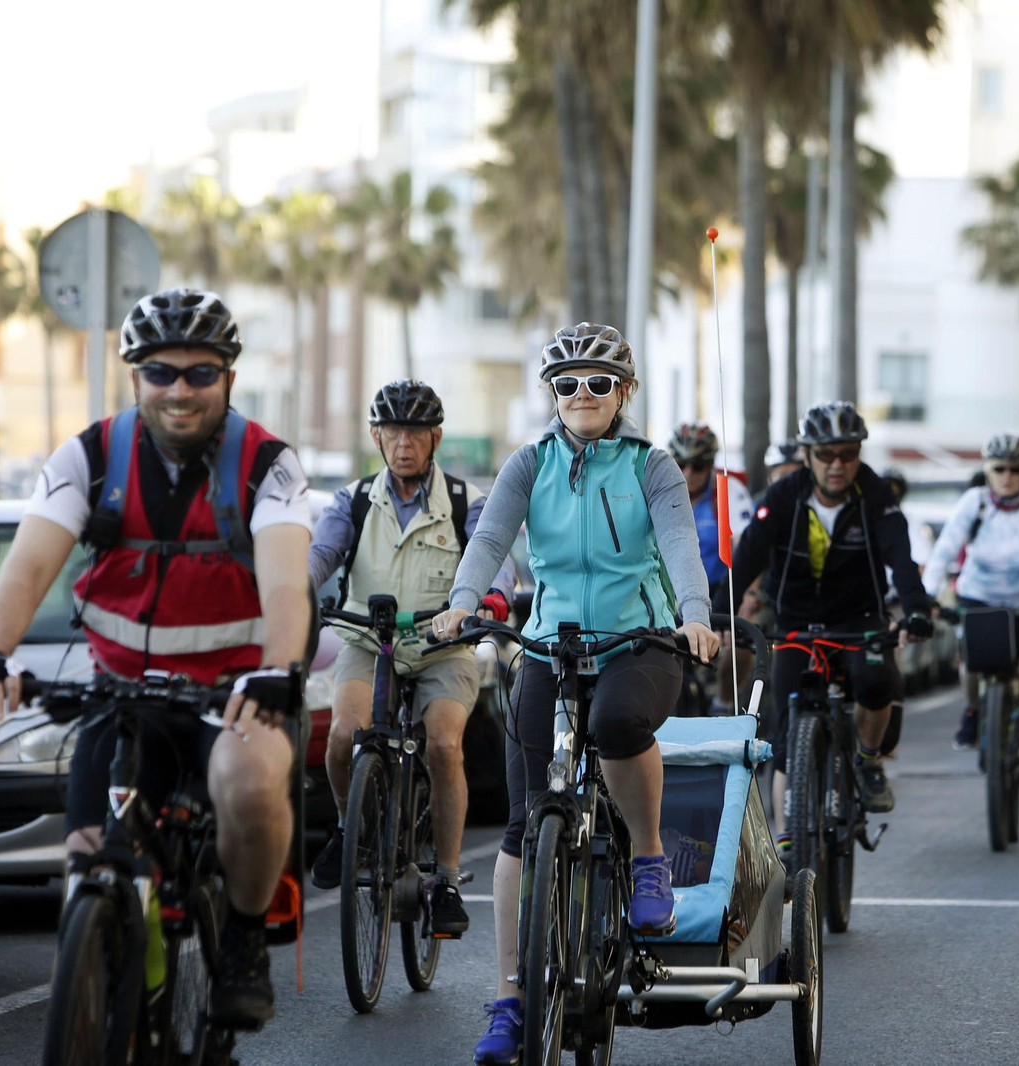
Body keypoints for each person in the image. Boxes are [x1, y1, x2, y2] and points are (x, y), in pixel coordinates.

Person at [0, 288, 313, 1029]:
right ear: (134, 379)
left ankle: (245, 937)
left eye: (199, 373)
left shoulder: (268, 464)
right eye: (160, 372)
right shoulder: (88, 456)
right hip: (121, 697)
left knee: (248, 785)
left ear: (228, 378)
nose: (179, 390)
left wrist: (281, 670)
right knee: (91, 868)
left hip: (237, 696)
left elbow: (285, 579)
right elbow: (26, 567)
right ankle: (120, 982)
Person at [428, 323, 720, 1066]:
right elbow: (490, 540)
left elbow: (681, 543)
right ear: (551, 396)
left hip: (639, 641)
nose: (582, 395)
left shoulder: (650, 464)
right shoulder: (529, 463)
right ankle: (511, 1002)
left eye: (598, 383)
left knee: (621, 722)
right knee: (526, 826)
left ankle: (648, 857)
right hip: (551, 642)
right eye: (567, 385)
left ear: (623, 392)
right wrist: (464, 602)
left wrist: (694, 618)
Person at [306, 380, 517, 935]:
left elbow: (493, 553)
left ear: (435, 438)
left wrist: (489, 599)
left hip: (441, 645)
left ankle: (445, 880)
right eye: (393, 431)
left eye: (416, 432)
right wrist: (296, 589)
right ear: (376, 436)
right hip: (366, 641)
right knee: (341, 736)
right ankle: (352, 830)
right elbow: (321, 553)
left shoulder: (465, 501)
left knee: (446, 744)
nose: (404, 443)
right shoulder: (350, 501)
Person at [724, 401, 934, 844]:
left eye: (848, 453)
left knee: (876, 682)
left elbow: (900, 558)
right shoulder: (784, 496)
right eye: (826, 454)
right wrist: (711, 609)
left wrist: (916, 608)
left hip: (859, 619)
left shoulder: (875, 495)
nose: (837, 465)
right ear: (807, 455)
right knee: (784, 727)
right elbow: (748, 557)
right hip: (796, 621)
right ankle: (789, 837)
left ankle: (867, 759)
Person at [923, 435, 1019, 814]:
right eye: (999, 470)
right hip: (981, 596)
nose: (1008, 477)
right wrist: (926, 593)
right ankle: (975, 710)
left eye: (1015, 470)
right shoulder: (973, 504)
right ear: (987, 472)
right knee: (973, 663)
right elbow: (945, 549)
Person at [668, 422, 754, 597]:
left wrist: (748, 594)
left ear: (710, 465)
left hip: (717, 593)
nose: (688, 473)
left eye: (697, 465)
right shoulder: (662, 490)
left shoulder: (726, 489)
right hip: (670, 594)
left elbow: (746, 546)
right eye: (681, 464)